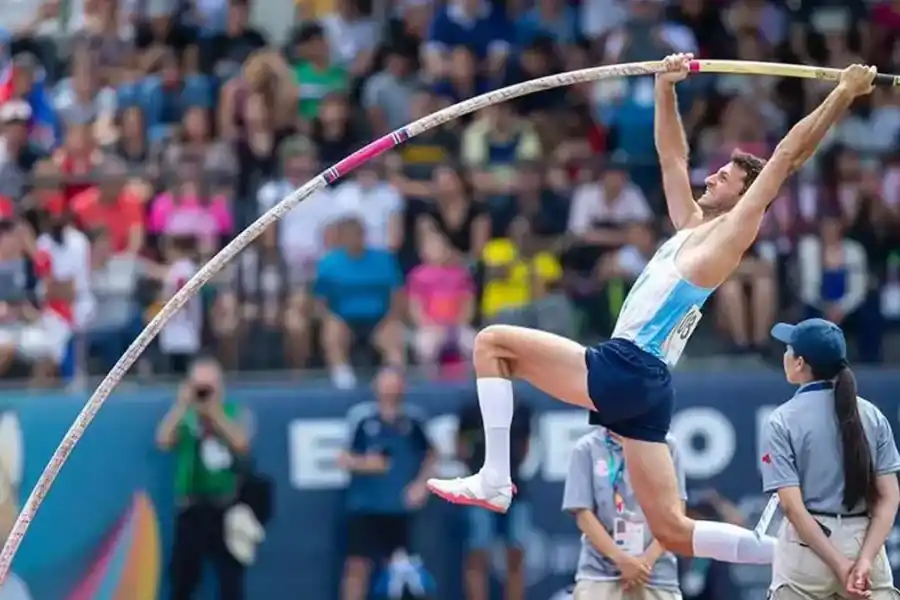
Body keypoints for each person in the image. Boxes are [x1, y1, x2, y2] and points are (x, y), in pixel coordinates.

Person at [427, 54, 878, 564]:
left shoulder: (731, 233)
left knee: (492, 342)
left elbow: (789, 154)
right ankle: (815, 559)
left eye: (726, 178)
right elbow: (672, 159)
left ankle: (494, 477)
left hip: (628, 364)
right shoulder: (690, 228)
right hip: (651, 386)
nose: (712, 179)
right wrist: (666, 88)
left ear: (747, 195)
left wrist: (843, 91)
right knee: (674, 530)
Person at [762, 318, 900, 599]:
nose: (784, 356)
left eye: (788, 350)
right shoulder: (872, 415)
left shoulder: (782, 420)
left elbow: (792, 508)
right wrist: (863, 561)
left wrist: (838, 564)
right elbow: (889, 498)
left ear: (799, 363)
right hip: (864, 541)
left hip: (807, 551)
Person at [155, 356, 252, 600]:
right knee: (182, 579)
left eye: (209, 386)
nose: (204, 392)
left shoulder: (234, 412)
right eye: (199, 386)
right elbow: (163, 440)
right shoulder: (184, 415)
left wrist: (214, 414)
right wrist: (182, 406)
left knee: (231, 580)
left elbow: (241, 444)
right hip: (191, 506)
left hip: (225, 506)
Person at [563, 426, 685, 600]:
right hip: (599, 576)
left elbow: (676, 514)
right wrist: (621, 560)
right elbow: (583, 515)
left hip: (656, 576)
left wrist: (645, 564)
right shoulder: (587, 447)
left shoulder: (666, 445)